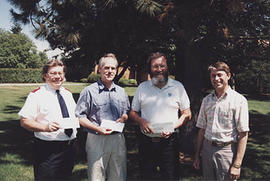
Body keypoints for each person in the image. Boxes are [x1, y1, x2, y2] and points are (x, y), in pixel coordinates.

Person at [129, 52, 192, 180]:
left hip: (169, 143)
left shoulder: (178, 87)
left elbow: (187, 113)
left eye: (162, 66)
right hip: (146, 142)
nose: (159, 70)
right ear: (150, 69)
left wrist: (173, 126)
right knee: (146, 177)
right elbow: (132, 113)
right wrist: (141, 121)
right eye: (155, 66)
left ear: (167, 67)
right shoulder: (142, 87)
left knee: (171, 177)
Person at [18, 59, 78, 180]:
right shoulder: (37, 95)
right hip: (48, 149)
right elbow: (24, 121)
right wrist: (45, 127)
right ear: (45, 75)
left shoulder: (67, 94)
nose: (58, 76)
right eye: (53, 73)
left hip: (69, 147)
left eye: (60, 73)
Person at [75, 53, 130, 181]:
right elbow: (80, 116)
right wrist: (98, 129)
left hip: (117, 138)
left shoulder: (121, 92)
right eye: (106, 68)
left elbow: (126, 112)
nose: (110, 71)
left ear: (116, 71)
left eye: (113, 68)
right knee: (96, 176)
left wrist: (124, 118)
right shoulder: (89, 91)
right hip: (96, 138)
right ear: (99, 69)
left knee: (119, 175)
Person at [193, 61, 249, 180]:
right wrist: (197, 155)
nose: (216, 79)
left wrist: (237, 164)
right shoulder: (207, 100)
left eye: (219, 75)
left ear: (228, 76)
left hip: (227, 152)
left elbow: (243, 134)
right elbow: (202, 129)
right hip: (207, 150)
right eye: (213, 76)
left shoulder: (239, 100)